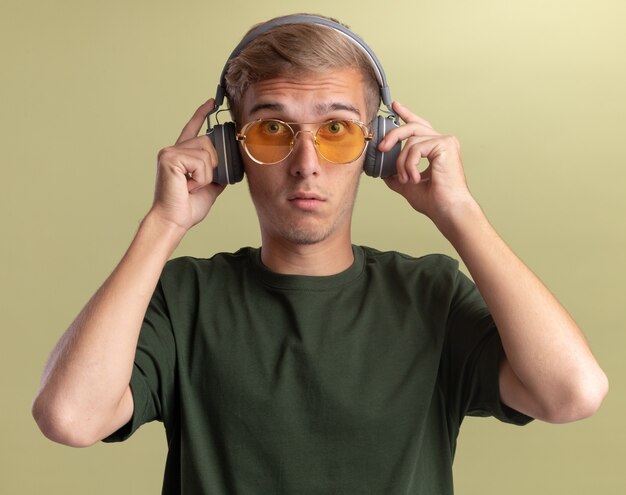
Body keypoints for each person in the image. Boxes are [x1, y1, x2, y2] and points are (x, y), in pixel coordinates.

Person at [32, 13, 608, 494]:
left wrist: (457, 211)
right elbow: (70, 417)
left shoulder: (431, 295)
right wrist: (164, 223)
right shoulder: (184, 298)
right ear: (231, 154)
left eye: (336, 128)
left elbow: (572, 393)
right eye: (273, 130)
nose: (306, 162)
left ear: (376, 147)